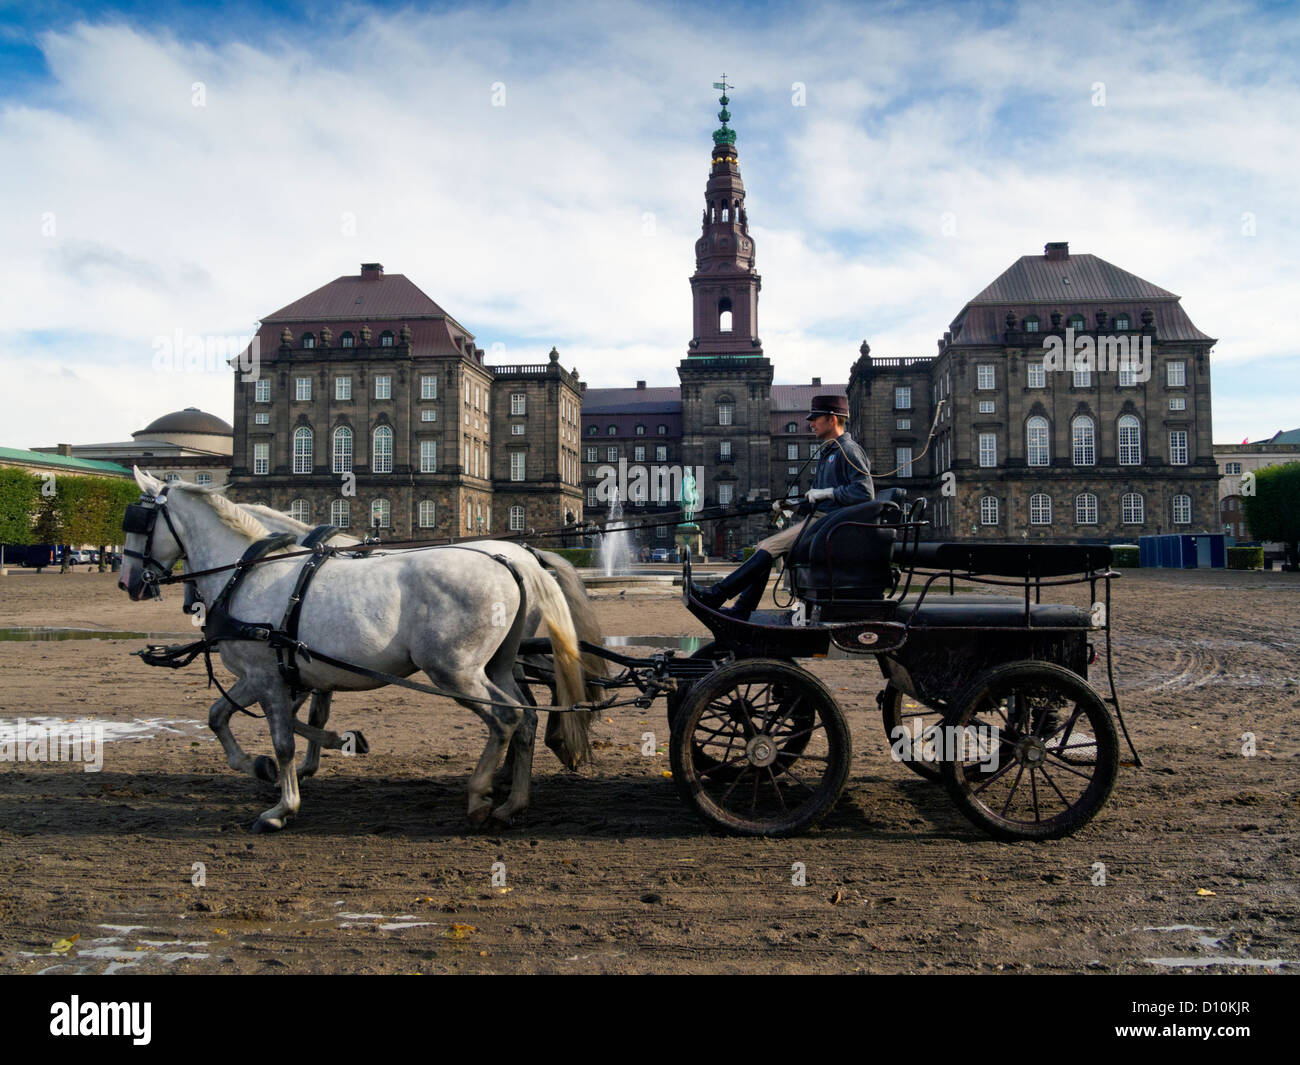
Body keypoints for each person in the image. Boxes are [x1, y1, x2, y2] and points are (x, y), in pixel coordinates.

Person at [696, 394, 873, 619]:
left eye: (815, 418)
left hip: (831, 525)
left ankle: (718, 595)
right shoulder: (828, 453)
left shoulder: (848, 450)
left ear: (832, 419)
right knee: (764, 545)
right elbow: (814, 502)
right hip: (821, 521)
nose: (811, 423)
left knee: (768, 546)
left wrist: (827, 492)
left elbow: (865, 493)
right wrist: (790, 506)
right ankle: (741, 608)